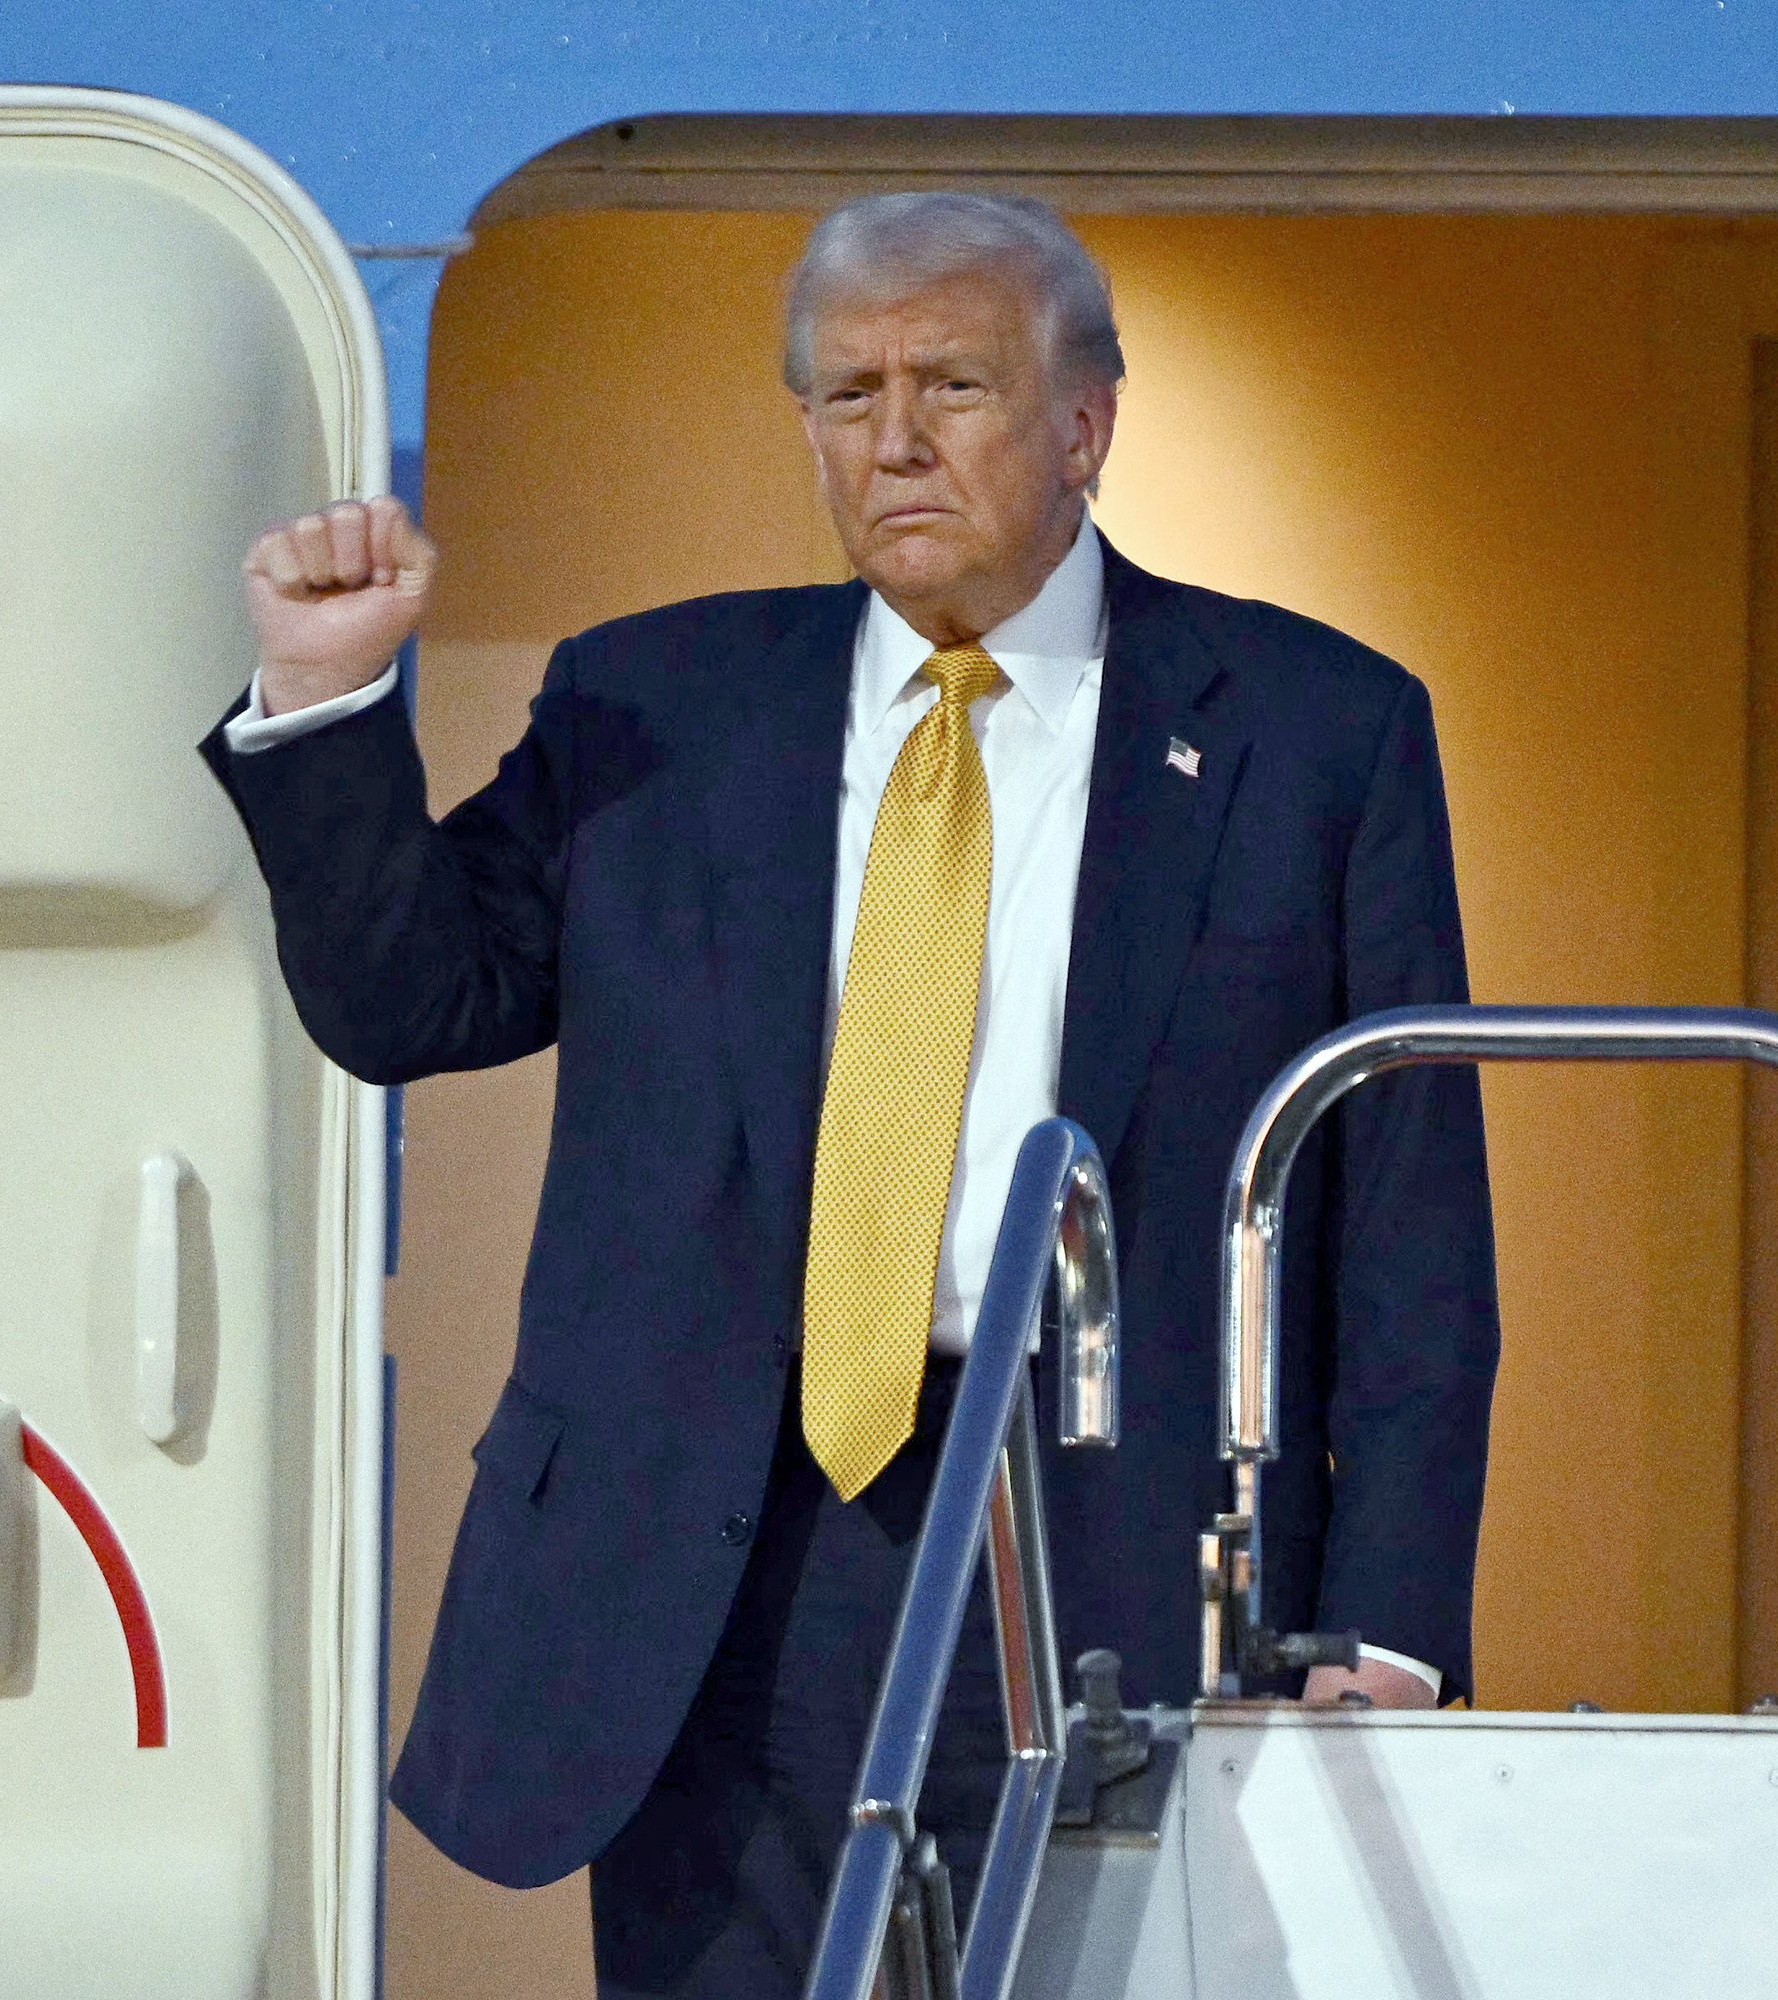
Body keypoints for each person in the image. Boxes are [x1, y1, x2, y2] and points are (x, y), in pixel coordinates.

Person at [204, 191, 1497, 1997]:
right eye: (844, 395)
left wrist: (1390, 1621)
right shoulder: (654, 701)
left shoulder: (1317, 726)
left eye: (952, 386)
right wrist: (326, 706)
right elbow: (417, 1000)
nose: (891, 441)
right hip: (722, 1554)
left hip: (1109, 1530)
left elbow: (1413, 1226)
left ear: (1083, 425)